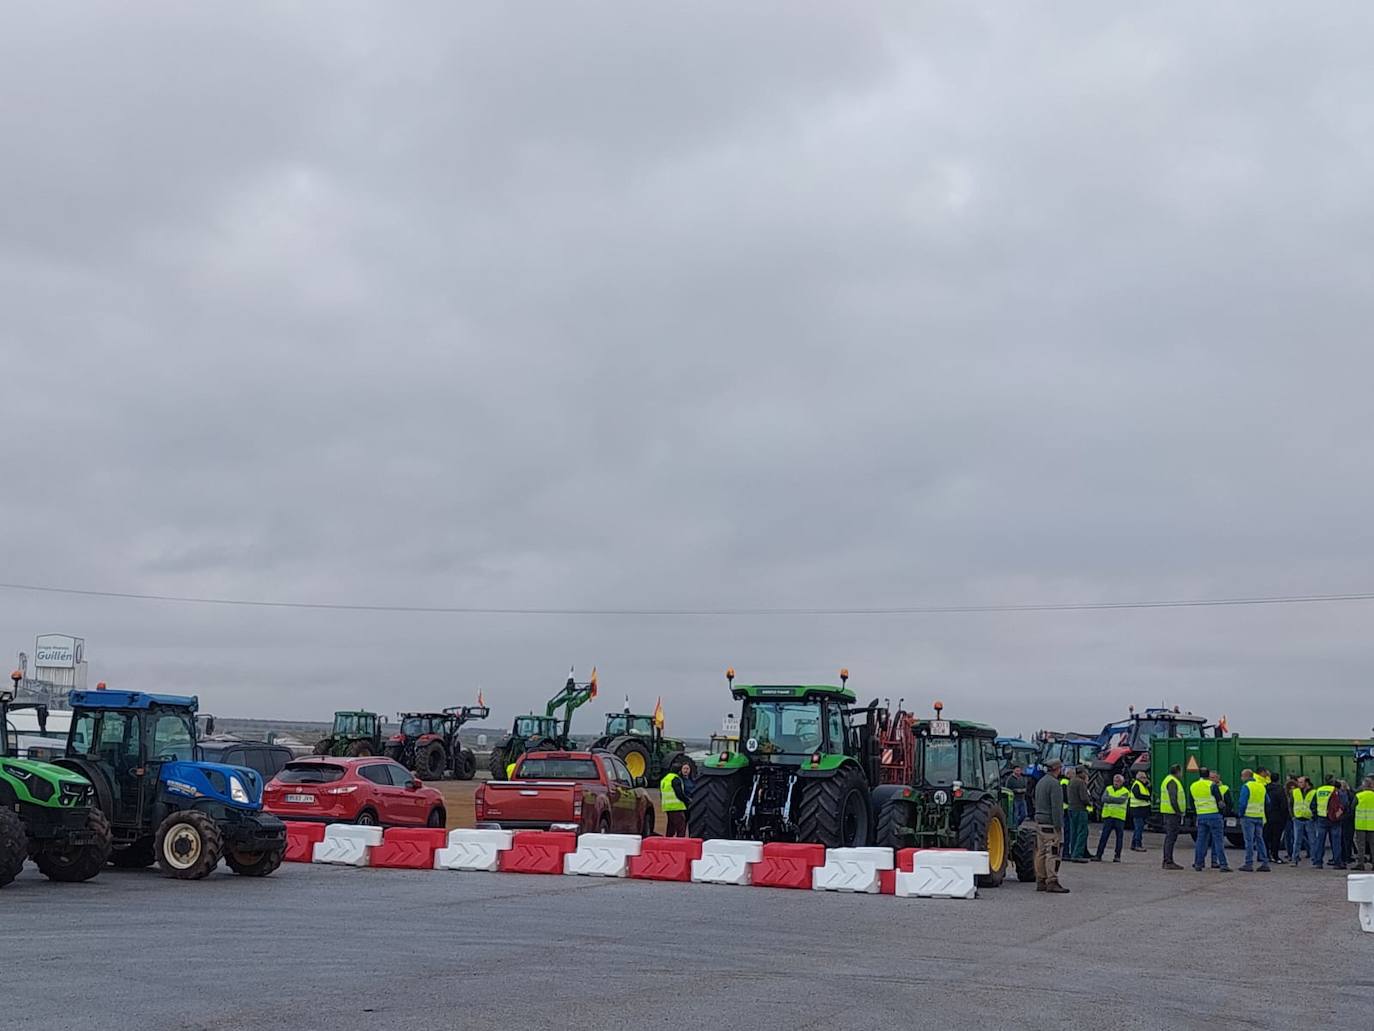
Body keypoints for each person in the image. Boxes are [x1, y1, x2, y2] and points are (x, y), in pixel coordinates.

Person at [1032, 758, 1070, 893]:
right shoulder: (1054, 784)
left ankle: (1040, 880)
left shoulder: (1041, 782)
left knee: (1041, 852)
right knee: (1053, 852)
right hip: (1050, 823)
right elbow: (1056, 807)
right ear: (1057, 769)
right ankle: (1052, 881)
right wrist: (1059, 825)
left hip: (1040, 821)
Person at [1191, 766, 1231, 872]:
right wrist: (1222, 812)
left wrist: (1198, 812)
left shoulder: (1193, 786)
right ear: (1208, 775)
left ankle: (1198, 864)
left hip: (1201, 816)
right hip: (1214, 815)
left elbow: (1192, 803)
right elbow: (1220, 802)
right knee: (1218, 841)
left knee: (1200, 841)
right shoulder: (1212, 785)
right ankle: (1223, 864)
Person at [1236, 769, 1270, 872]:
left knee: (1249, 841)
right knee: (1260, 840)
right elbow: (1268, 801)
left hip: (1248, 817)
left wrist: (1240, 814)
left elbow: (1242, 802)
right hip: (1259, 816)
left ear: (1246, 776)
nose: (1241, 778)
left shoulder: (1246, 786)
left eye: (1242, 776)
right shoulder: (1261, 786)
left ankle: (1248, 863)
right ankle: (1265, 863)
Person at [1094, 773, 1130, 862]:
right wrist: (1114, 799)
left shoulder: (1125, 791)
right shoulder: (1108, 788)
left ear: (1122, 782)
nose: (1116, 783)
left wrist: (1110, 798)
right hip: (1108, 816)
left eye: (1118, 781)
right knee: (1104, 837)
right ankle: (1098, 855)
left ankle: (1117, 856)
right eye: (1115, 781)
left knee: (1119, 838)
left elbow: (1121, 800)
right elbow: (1103, 799)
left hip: (1119, 817)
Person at [1311, 774, 1343, 870]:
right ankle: (1337, 862)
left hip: (1321, 818)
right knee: (1336, 841)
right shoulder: (1336, 791)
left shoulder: (1319, 790)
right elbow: (1343, 803)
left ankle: (1318, 862)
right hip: (1334, 819)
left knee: (1320, 841)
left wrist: (1316, 815)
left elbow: (1313, 805)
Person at [1159, 763, 1186, 870]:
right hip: (1172, 814)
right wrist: (1178, 811)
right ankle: (1168, 861)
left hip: (1170, 813)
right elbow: (1173, 798)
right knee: (1171, 837)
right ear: (1178, 771)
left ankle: (1168, 860)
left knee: (1170, 837)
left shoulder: (1169, 780)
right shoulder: (1172, 782)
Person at [1262, 768, 1288, 864]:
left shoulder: (1265, 788)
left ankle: (1265, 854)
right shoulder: (1280, 790)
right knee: (1276, 837)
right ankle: (1275, 855)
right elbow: (1284, 805)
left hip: (1266, 816)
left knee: (1266, 836)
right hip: (1278, 817)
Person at [1066, 766, 1092, 862]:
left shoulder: (1071, 781)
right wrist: (1090, 803)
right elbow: (1084, 798)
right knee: (1082, 832)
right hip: (1080, 810)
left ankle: (1073, 852)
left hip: (1071, 809)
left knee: (1074, 832)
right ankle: (1078, 854)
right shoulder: (1081, 783)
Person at [660, 761, 691, 837]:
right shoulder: (675, 779)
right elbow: (679, 793)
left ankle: (668, 842)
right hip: (676, 807)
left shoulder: (665, 779)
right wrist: (687, 800)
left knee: (671, 827)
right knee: (681, 827)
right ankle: (680, 843)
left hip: (667, 807)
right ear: (679, 771)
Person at [1291, 776, 1315, 866]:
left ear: (1307, 783)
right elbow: (1291, 804)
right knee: (1297, 840)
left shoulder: (1313, 792)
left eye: (1301, 782)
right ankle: (1294, 859)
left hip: (1309, 819)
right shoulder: (1295, 792)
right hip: (1298, 818)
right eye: (1299, 782)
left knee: (1312, 840)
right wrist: (1293, 816)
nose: (1299, 784)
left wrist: (1313, 815)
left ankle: (1314, 859)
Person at [1353, 777, 1374, 872]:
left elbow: (1352, 808)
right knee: (1373, 845)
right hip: (1372, 825)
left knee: (1361, 845)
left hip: (1360, 824)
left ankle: (1360, 864)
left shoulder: (1359, 796)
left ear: (1363, 786)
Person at [1128, 770, 1150, 852]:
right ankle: (1138, 845)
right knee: (1139, 828)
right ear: (1139, 778)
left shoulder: (1142, 785)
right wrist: (1147, 798)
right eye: (1144, 778)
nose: (1146, 779)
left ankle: (1134, 844)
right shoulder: (1137, 785)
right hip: (1137, 810)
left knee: (1138, 828)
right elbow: (1138, 795)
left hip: (1140, 810)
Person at [1339, 779, 1357, 867]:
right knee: (1348, 839)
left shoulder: (1343, 794)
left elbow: (1345, 805)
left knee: (1344, 838)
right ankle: (1348, 855)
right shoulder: (1352, 793)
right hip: (1350, 818)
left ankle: (1344, 856)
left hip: (1344, 818)